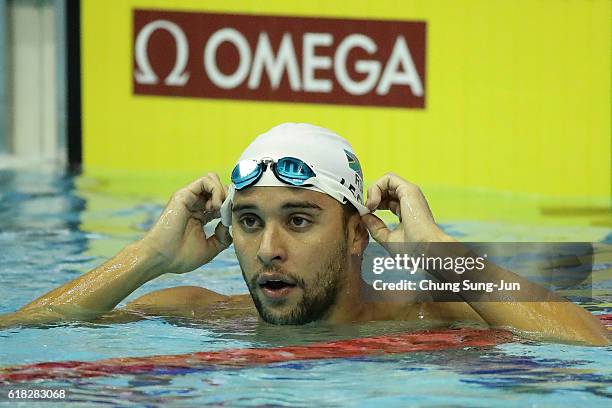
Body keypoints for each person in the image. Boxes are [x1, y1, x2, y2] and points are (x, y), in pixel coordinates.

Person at [0, 123, 608, 345]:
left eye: (298, 220)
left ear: (355, 235)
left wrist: (438, 254)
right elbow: (18, 338)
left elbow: (590, 348)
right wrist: (147, 255)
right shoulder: (193, 312)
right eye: (249, 222)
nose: (268, 249)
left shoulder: (440, 314)